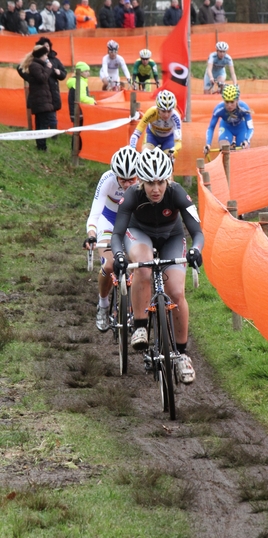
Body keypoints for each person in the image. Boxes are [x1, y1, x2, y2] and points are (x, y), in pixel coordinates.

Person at [111, 147, 204, 383]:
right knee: (143, 266)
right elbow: (117, 233)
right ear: (141, 181)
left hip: (171, 237)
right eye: (150, 183)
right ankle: (140, 325)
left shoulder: (178, 193)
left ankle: (182, 355)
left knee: (176, 292)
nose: (156, 189)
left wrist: (195, 250)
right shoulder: (132, 195)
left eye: (161, 182)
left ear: (168, 180)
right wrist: (120, 255)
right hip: (138, 233)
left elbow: (196, 231)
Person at [84, 146, 139, 331]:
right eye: (122, 179)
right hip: (109, 222)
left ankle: (136, 308)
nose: (127, 184)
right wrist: (91, 235)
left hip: (133, 223)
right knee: (109, 265)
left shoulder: (145, 180)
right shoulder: (107, 179)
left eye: (132, 179)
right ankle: (103, 304)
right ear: (115, 174)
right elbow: (95, 214)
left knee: (137, 264)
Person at [17, 45, 55, 151]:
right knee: (42, 124)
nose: (47, 57)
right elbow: (42, 78)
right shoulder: (35, 66)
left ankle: (41, 145)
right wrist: (48, 68)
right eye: (45, 55)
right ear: (41, 55)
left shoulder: (36, 65)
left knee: (41, 123)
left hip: (41, 99)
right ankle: (41, 146)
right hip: (40, 99)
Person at [204, 85, 253, 155]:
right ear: (223, 100)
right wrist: (208, 144)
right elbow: (211, 128)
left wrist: (246, 140)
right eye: (227, 102)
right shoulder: (218, 109)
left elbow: (250, 128)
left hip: (241, 129)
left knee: (243, 150)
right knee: (224, 149)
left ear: (237, 100)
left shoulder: (244, 107)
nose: (229, 105)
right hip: (226, 128)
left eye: (232, 102)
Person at [130, 90, 181, 156]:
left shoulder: (175, 117)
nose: (166, 115)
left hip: (168, 138)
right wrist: (132, 147)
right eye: (163, 111)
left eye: (169, 111)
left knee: (168, 160)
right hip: (152, 136)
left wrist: (173, 151)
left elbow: (178, 142)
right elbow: (136, 133)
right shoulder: (151, 112)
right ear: (158, 109)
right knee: (146, 155)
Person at [35, 36, 67, 124]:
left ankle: (54, 136)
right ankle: (43, 135)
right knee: (42, 117)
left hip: (53, 90)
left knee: (53, 116)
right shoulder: (36, 61)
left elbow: (64, 73)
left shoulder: (55, 60)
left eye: (48, 46)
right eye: (44, 46)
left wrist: (59, 73)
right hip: (41, 92)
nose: (47, 48)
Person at [66, 61, 96, 150]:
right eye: (86, 71)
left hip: (77, 111)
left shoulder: (80, 81)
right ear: (81, 72)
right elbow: (81, 97)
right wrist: (92, 101)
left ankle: (77, 151)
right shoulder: (79, 82)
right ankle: (76, 152)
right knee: (77, 133)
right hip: (78, 111)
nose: (88, 73)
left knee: (78, 132)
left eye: (88, 71)